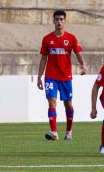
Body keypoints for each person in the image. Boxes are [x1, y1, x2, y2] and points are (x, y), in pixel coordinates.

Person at [37, 9, 88, 141]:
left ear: (64, 21)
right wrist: (39, 77)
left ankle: (69, 131)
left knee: (68, 104)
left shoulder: (71, 38)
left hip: (65, 77)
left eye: (61, 19)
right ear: (53, 21)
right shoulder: (47, 39)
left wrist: (83, 65)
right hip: (51, 76)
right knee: (51, 102)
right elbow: (43, 59)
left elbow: (78, 53)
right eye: (57, 19)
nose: (59, 22)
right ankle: (54, 132)